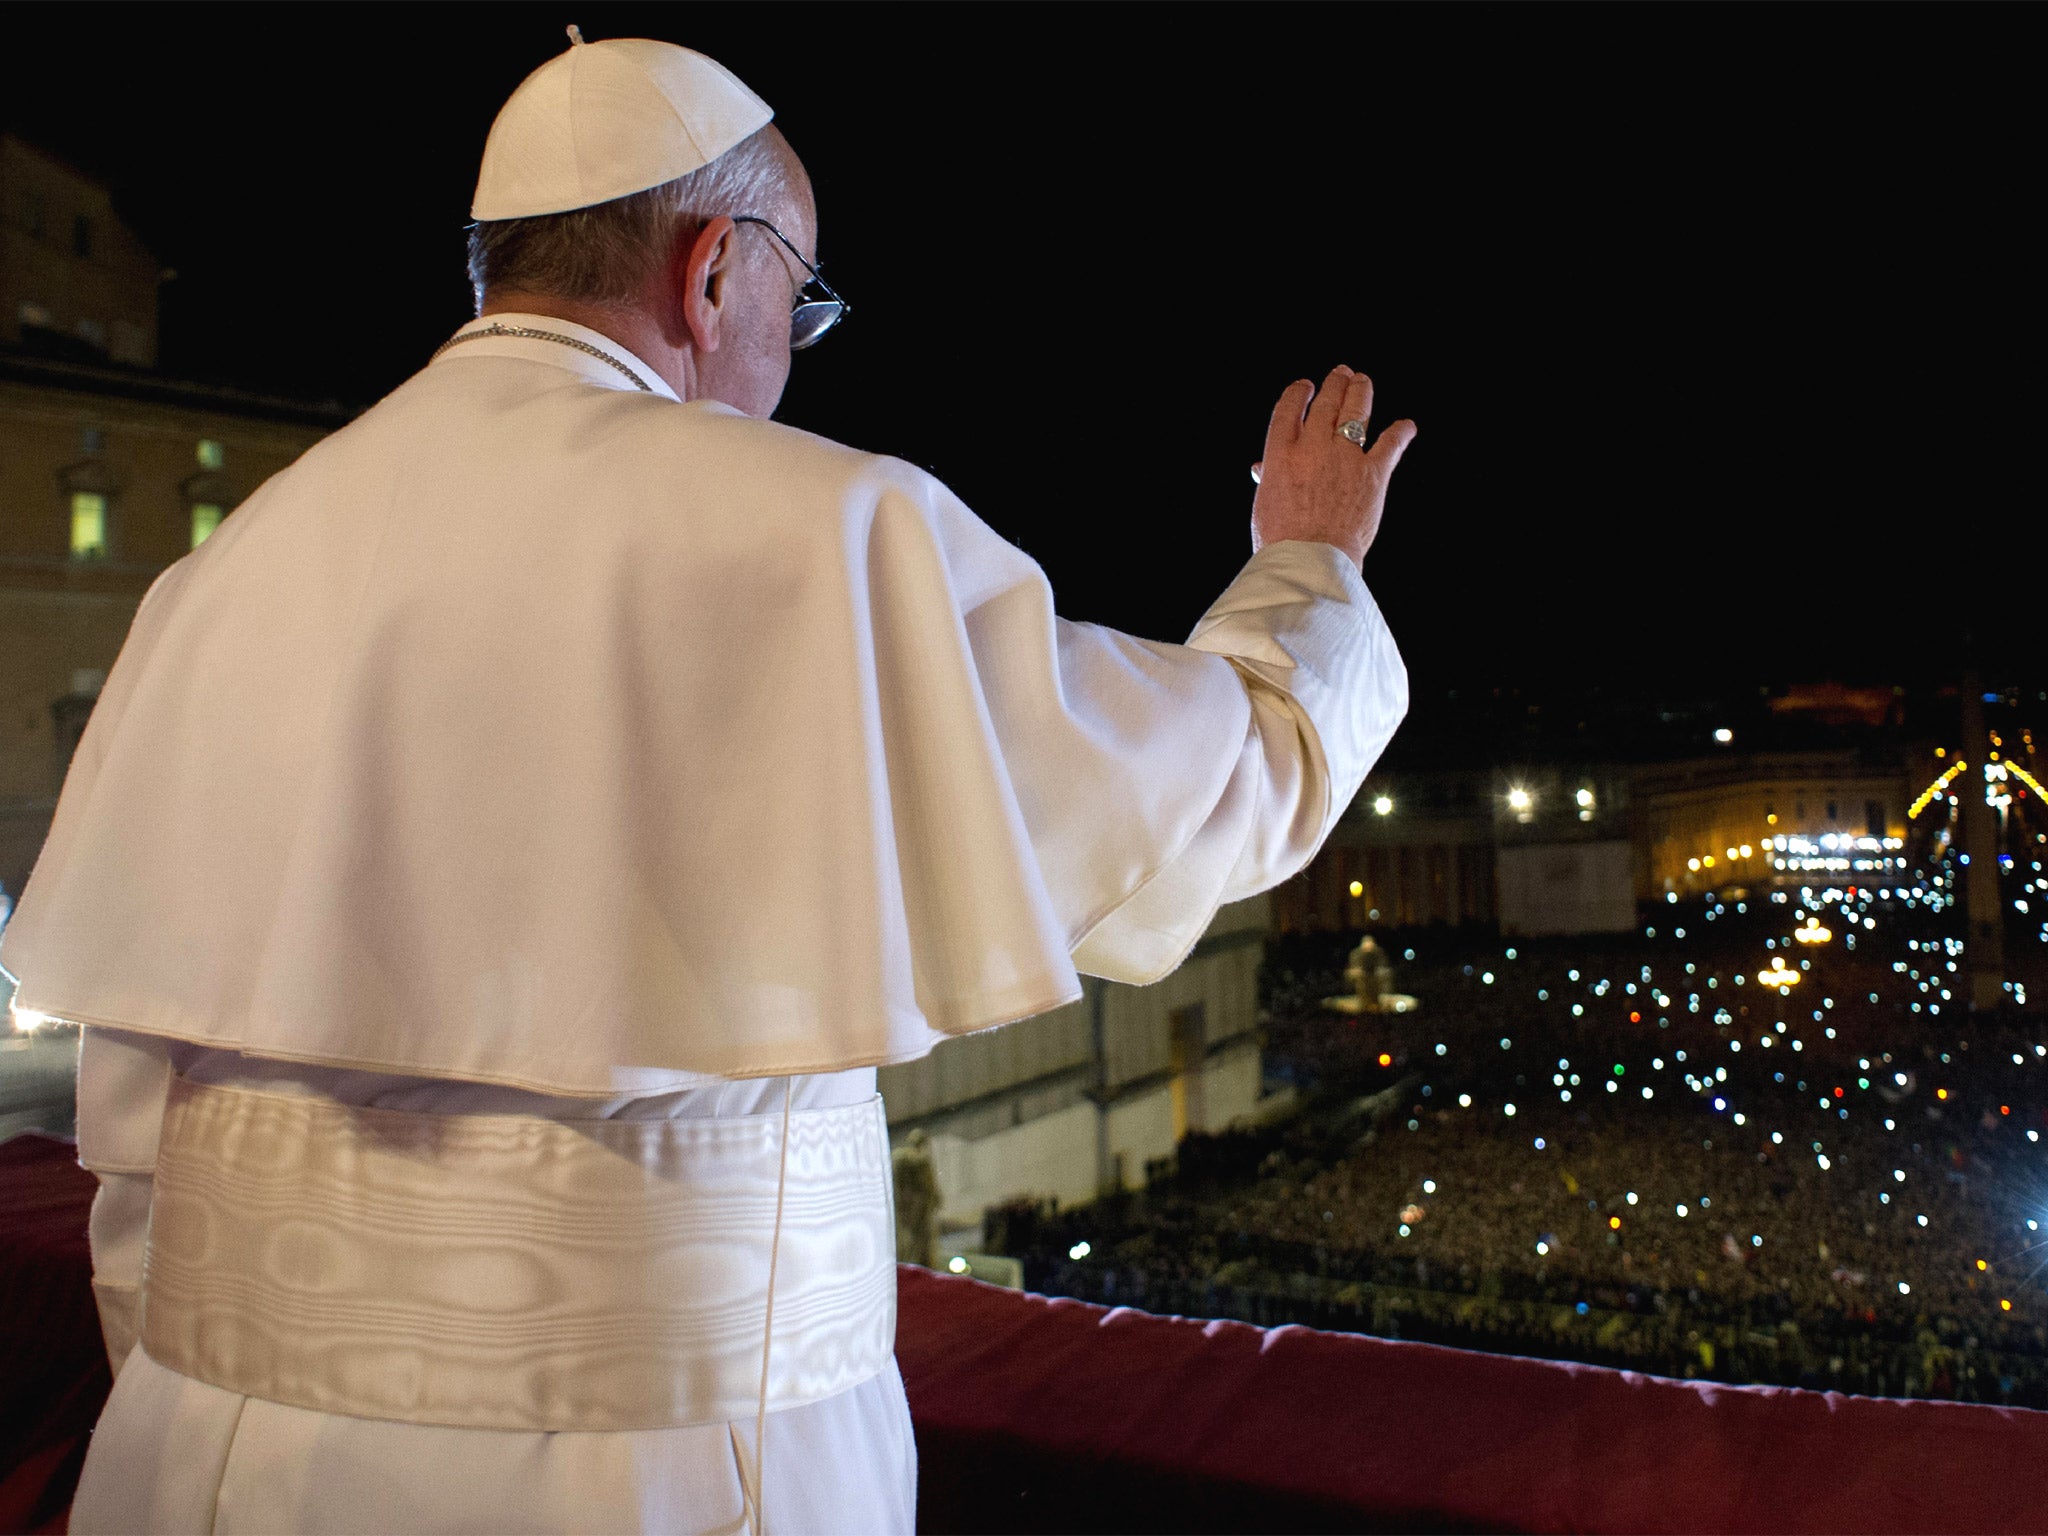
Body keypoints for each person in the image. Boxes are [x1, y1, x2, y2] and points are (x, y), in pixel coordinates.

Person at [0, 31, 1416, 1536]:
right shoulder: (830, 529)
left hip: (206, 1464)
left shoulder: (224, 573)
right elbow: (1215, 785)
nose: (793, 348)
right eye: (800, 299)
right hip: (661, 1476)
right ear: (715, 272)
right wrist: (1307, 566)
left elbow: (136, 1139)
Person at [892, 1128, 943, 1269]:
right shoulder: (919, 1161)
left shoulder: (898, 1158)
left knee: (908, 1242)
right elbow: (930, 1188)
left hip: (910, 1210)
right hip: (917, 1209)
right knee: (918, 1243)